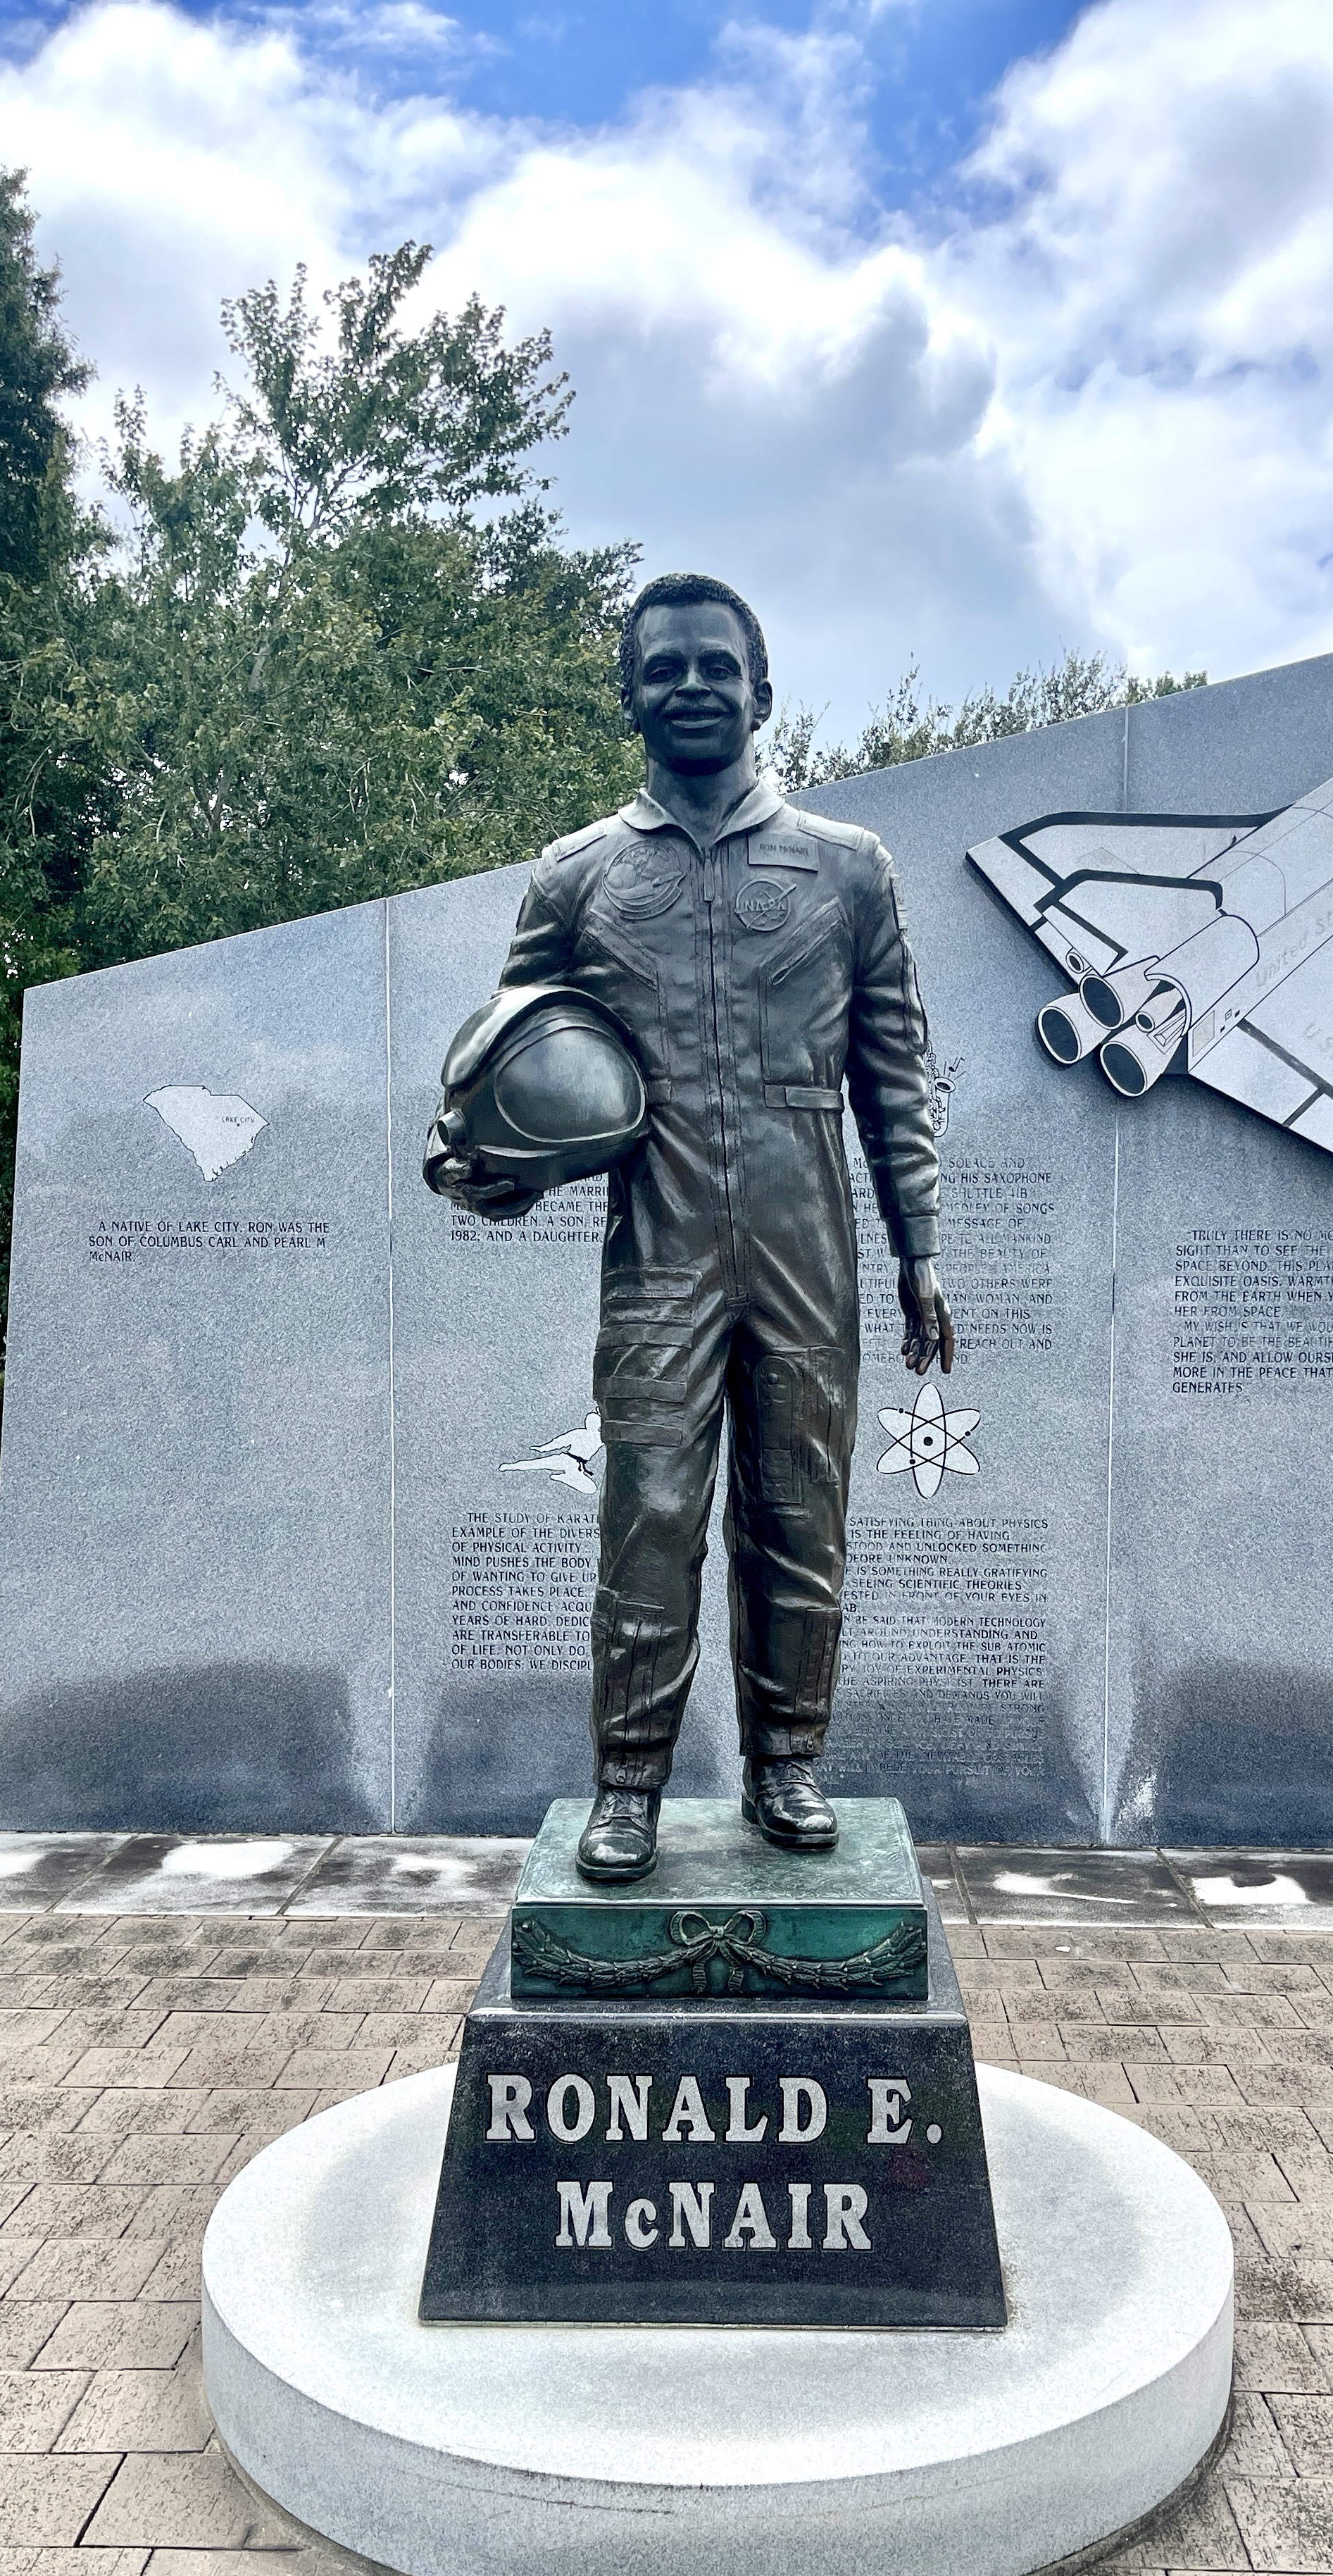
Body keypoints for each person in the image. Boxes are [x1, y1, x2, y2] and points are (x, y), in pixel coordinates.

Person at [432, 572, 952, 1879]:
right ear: (629, 698)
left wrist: (921, 1247)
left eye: (716, 666)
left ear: (762, 692)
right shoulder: (577, 878)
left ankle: (789, 1764)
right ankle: (627, 1785)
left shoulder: (848, 869)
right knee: (648, 1518)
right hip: (657, 1252)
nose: (691, 686)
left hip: (806, 1244)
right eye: (663, 668)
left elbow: (895, 1072)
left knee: (800, 1513)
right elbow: (513, 1064)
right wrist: (483, 1167)